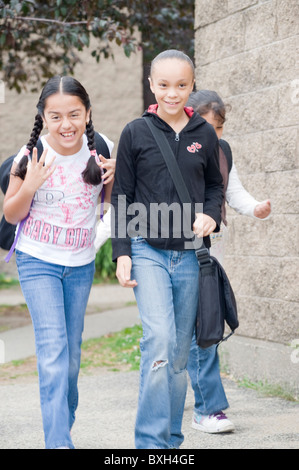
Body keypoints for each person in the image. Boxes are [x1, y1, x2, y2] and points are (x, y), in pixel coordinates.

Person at [111, 50, 224, 449]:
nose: (172, 93)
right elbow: (121, 194)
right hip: (147, 249)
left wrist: (211, 214)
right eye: (164, 85)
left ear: (192, 85)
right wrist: (121, 251)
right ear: (151, 85)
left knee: (178, 354)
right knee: (158, 340)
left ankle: (171, 442)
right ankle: (149, 445)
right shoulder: (135, 132)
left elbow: (214, 186)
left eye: (181, 85)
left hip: (191, 254)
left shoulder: (204, 134)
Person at [3, 76, 115, 449]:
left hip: (80, 264)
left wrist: (114, 182)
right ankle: (58, 442)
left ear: (87, 113)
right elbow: (11, 214)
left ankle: (60, 422)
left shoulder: (101, 150)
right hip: (38, 262)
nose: (66, 124)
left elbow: (110, 208)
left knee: (71, 356)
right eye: (56, 116)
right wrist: (31, 183)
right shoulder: (30, 155)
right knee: (53, 351)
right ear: (43, 117)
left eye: (74, 114)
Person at [186, 90, 271, 434]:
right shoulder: (177, 148)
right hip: (173, 248)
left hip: (210, 251)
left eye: (219, 128)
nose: (213, 135)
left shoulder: (222, 151)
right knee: (184, 331)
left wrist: (255, 208)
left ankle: (207, 407)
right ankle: (187, 401)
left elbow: (230, 191)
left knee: (205, 325)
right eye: (207, 126)